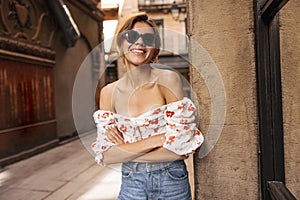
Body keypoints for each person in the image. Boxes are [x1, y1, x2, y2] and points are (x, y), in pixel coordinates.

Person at [91, 13, 204, 200]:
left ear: (155, 49)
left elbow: (180, 148)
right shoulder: (108, 93)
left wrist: (126, 150)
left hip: (172, 180)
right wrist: (158, 139)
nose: (140, 42)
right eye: (132, 36)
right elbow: (107, 155)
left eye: (148, 38)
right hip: (131, 182)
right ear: (120, 44)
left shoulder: (169, 80)